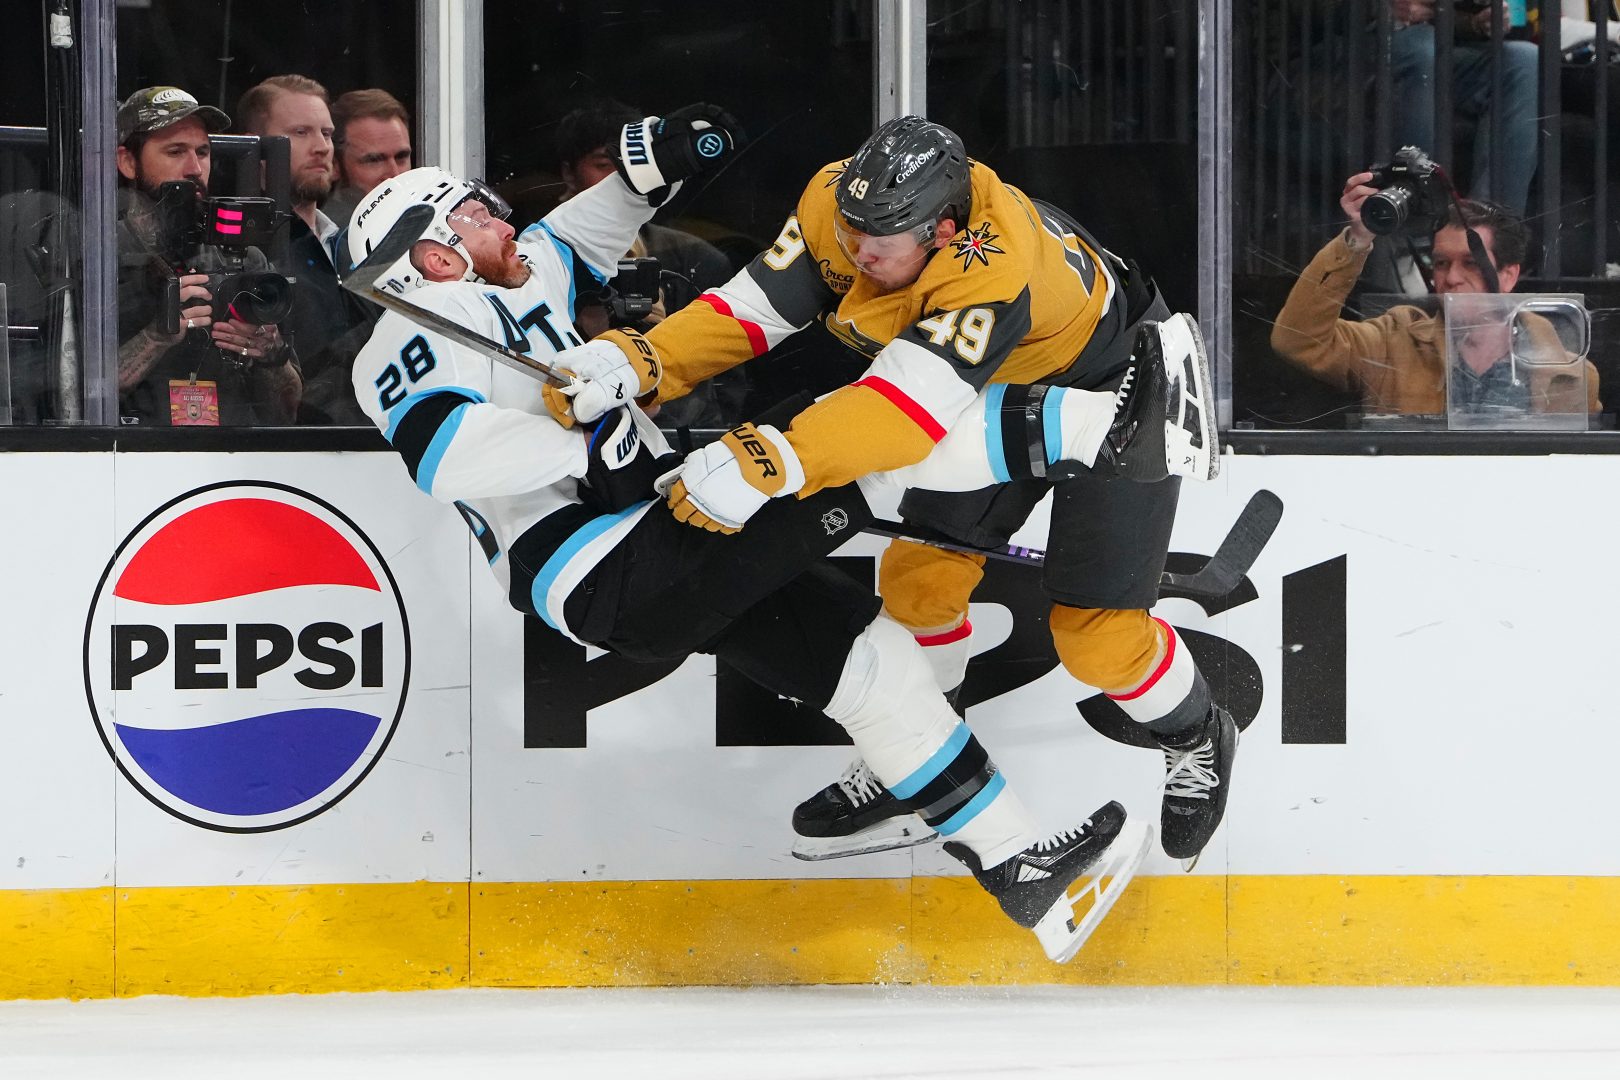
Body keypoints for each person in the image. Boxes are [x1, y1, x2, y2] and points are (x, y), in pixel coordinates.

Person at [347, 130, 1210, 955]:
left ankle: (1022, 871)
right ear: (433, 253)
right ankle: (1109, 429)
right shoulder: (421, 321)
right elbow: (447, 457)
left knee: (876, 668)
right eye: (475, 213)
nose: (501, 218)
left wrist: (642, 321)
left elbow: (581, 234)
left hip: (654, 542)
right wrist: (595, 428)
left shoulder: (513, 280)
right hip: (606, 563)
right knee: (834, 448)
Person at [615, 115, 1233, 870]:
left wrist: (773, 460)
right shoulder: (837, 203)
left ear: (943, 231)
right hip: (995, 388)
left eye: (882, 241)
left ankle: (1197, 734)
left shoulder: (992, 266)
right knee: (918, 585)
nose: (858, 253)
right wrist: (647, 358)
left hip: (1119, 394)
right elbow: (750, 311)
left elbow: (899, 416)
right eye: (852, 228)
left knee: (1097, 639)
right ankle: (914, 770)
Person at [1269, 170, 1600, 417]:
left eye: (1470, 263)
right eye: (1441, 263)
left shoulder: (1569, 374)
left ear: (1508, 275)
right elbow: (1297, 340)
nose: (1451, 278)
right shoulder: (1393, 342)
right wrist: (1357, 240)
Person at [114, 86, 301, 426]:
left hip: (232, 449)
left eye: (203, 152)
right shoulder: (99, 257)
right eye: (175, 151)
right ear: (127, 162)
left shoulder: (243, 257)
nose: (195, 169)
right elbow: (73, 396)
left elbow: (288, 411)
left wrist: (270, 353)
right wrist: (155, 337)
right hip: (134, 449)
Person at [556, 99, 741, 428]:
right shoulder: (527, 258)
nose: (617, 180)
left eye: (626, 165)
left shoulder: (695, 260)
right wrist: (588, 326)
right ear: (569, 172)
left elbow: (724, 394)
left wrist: (661, 341)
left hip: (674, 439)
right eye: (603, 164)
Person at [236, 75, 377, 424]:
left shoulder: (355, 243)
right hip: (291, 444)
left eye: (327, 134)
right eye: (300, 133)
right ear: (255, 148)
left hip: (375, 441)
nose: (322, 147)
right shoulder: (239, 251)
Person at [1388, 0, 1539, 214]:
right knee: (1423, 46)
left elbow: (1523, 26)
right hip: (1364, 45)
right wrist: (1384, 8)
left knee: (1524, 59)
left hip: (1443, 47)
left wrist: (1479, 22)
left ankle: (1490, 223)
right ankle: (1418, 218)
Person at [324, 89, 414, 228]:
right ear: (334, 165)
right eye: (374, 160)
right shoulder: (328, 235)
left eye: (401, 157)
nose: (395, 174)